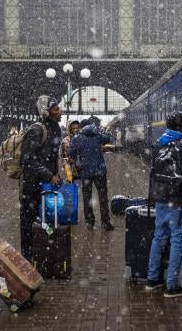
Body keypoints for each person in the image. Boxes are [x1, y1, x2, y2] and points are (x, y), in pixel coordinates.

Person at [146, 112, 182, 298]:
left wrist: (152, 195)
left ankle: (152, 279)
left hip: (160, 197)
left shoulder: (159, 143)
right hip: (177, 199)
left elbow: (153, 171)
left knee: (159, 236)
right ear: (180, 125)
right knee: (176, 239)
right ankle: (172, 285)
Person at [20, 95, 62, 262]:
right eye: (56, 108)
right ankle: (28, 259)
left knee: (48, 221)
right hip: (32, 187)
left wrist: (57, 174)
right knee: (29, 223)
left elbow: (52, 157)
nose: (60, 111)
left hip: (47, 186)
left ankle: (44, 256)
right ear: (46, 112)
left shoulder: (56, 128)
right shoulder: (37, 130)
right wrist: (49, 175)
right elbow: (28, 160)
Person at [69, 118, 114, 231]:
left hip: (85, 172)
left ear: (81, 127)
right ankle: (105, 222)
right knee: (103, 197)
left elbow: (71, 154)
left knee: (87, 197)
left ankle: (90, 222)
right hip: (100, 171)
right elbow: (109, 138)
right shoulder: (97, 135)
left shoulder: (77, 138)